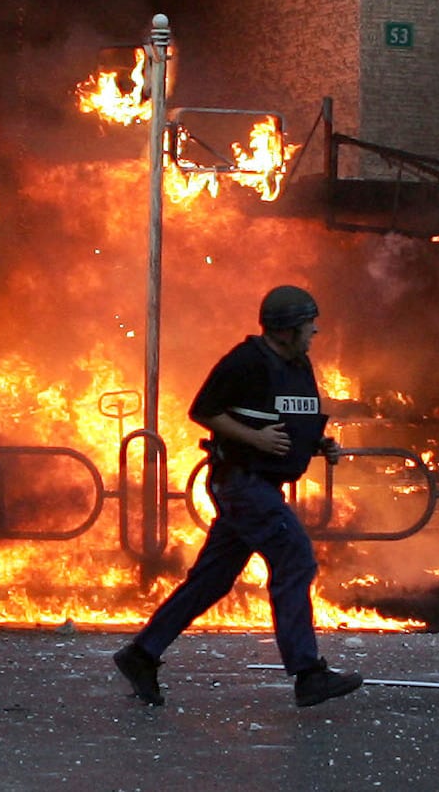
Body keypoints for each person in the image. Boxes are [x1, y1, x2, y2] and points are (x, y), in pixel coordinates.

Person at [114, 285, 363, 708]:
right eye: (307, 324)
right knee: (294, 556)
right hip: (241, 482)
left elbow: (292, 419)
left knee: (213, 579)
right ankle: (307, 673)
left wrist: (319, 445)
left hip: (261, 484)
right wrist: (254, 439)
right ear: (285, 329)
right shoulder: (246, 361)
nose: (314, 331)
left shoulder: (299, 365)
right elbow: (203, 411)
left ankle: (141, 654)